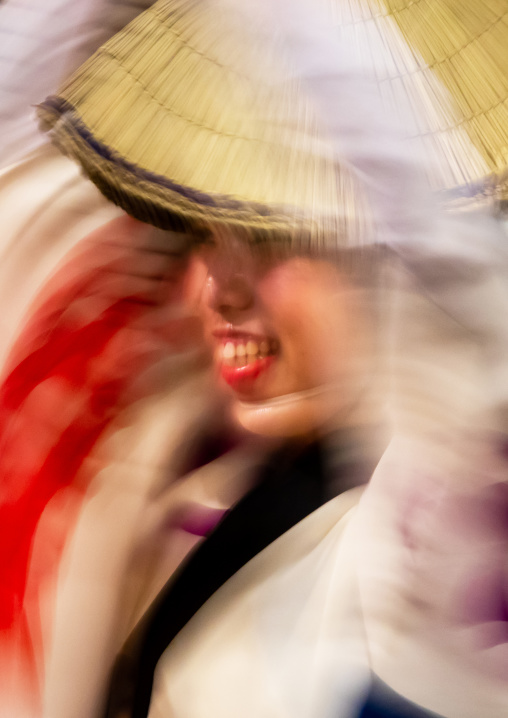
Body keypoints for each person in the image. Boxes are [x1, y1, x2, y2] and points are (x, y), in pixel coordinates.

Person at [3, 0, 508, 716]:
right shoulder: (206, 498)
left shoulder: (432, 531)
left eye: (277, 237)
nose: (216, 290)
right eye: (207, 233)